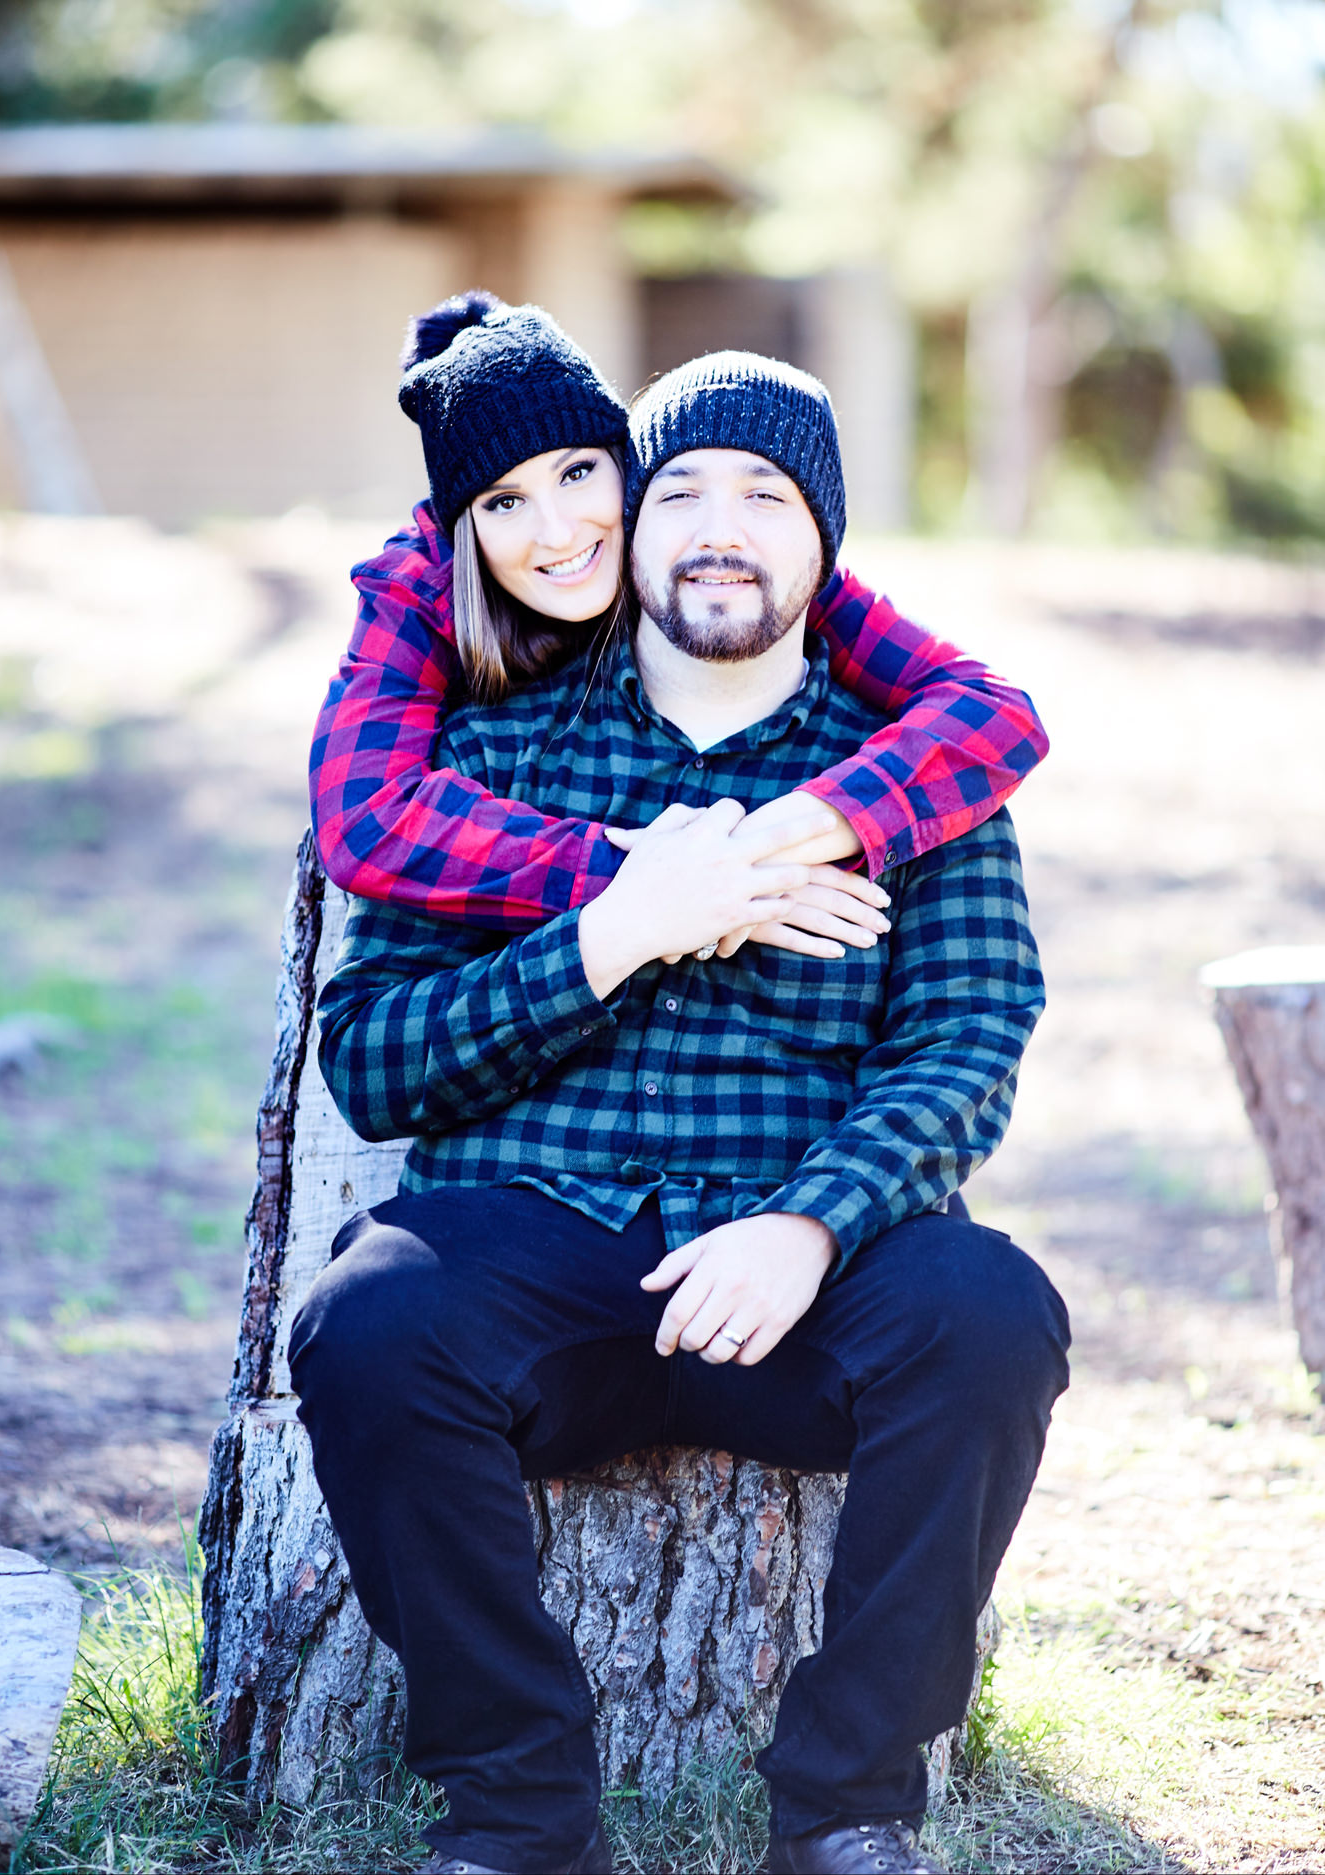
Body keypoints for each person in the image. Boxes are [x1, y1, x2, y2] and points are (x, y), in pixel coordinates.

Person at [290, 351, 1072, 1875]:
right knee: (366, 1325)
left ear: (824, 546)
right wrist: (622, 922)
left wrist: (810, 1218)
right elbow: (374, 1057)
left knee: (991, 1313)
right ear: (632, 524)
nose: (722, 526)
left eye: (767, 495)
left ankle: (845, 1802)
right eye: (687, 489)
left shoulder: (913, 773)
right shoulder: (496, 743)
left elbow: (969, 1038)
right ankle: (517, 1806)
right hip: (532, 1244)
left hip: (801, 1277)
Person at [308, 292, 1050, 957]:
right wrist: (651, 883)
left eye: (576, 473)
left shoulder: (718, 566)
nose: (560, 532)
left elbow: (995, 713)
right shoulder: (419, 586)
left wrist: (791, 834)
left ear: (629, 470)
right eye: (504, 501)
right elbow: (367, 816)